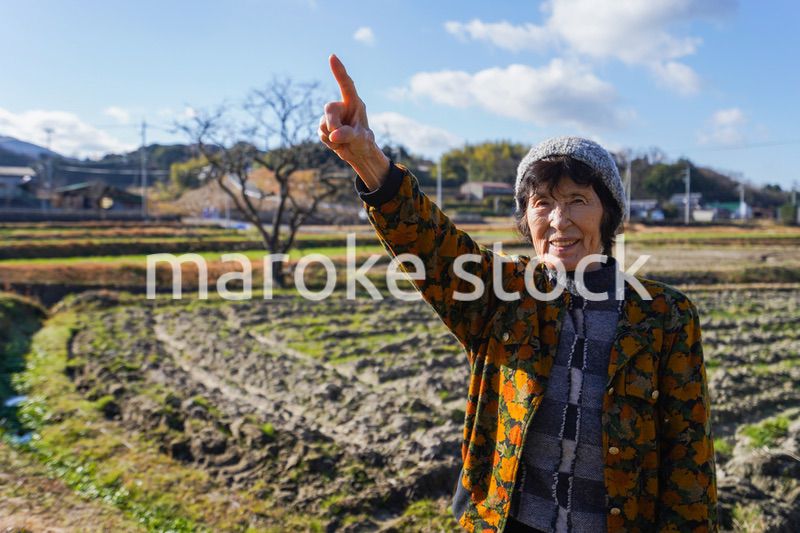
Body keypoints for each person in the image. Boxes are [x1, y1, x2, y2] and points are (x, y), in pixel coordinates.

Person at [319, 54, 718, 533]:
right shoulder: (503, 294)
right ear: (525, 218)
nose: (558, 220)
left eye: (577, 201)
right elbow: (427, 244)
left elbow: (688, 462)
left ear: (608, 214)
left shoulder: (664, 316)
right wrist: (369, 161)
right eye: (542, 203)